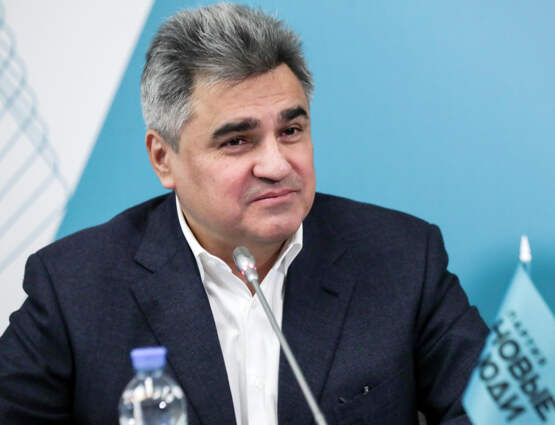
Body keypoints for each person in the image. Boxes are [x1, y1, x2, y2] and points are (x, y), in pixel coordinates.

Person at [0, 3, 488, 425]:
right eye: (237, 140)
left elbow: (495, 414)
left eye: (291, 131)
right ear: (163, 159)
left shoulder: (402, 259)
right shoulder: (75, 288)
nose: (277, 165)